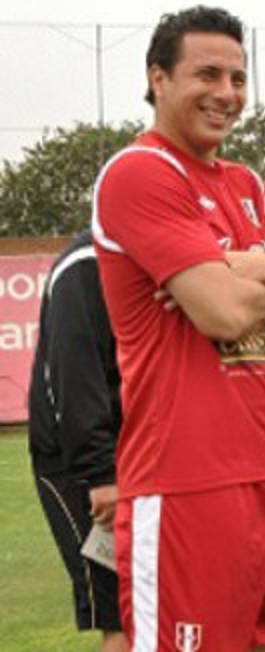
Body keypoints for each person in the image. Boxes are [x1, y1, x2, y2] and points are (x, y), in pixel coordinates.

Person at [91, 6, 265, 650]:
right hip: (185, 483)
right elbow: (221, 313)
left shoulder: (248, 184)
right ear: (158, 78)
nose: (227, 94)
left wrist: (255, 273)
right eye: (208, 75)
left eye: (239, 79)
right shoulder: (140, 173)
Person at [28, 231, 127, 652]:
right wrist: (100, 475)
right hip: (84, 465)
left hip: (135, 454)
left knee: (158, 600)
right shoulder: (84, 265)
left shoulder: (142, 258)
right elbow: (73, 374)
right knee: (122, 612)